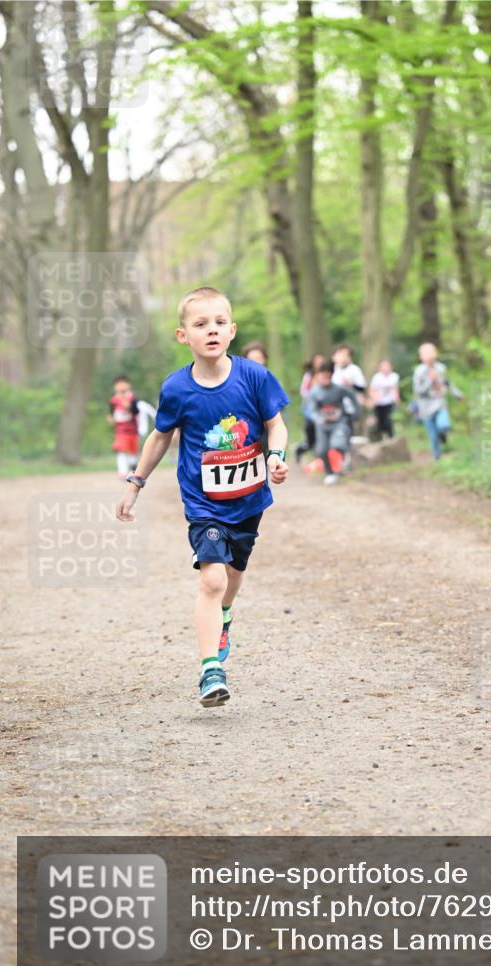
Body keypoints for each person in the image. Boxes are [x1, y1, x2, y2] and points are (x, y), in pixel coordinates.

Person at [116, 287, 290, 708]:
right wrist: (135, 482)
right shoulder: (176, 389)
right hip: (203, 502)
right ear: (183, 336)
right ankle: (210, 668)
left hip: (248, 500)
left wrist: (276, 457)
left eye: (218, 323)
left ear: (231, 331)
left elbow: (276, 425)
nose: (210, 330)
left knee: (233, 574)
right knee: (211, 578)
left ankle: (225, 616)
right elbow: (160, 438)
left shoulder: (255, 377)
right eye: (200, 324)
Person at [307, 360, 357, 485]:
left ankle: (343, 458)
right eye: (323, 375)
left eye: (328, 375)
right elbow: (311, 410)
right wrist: (319, 419)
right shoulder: (313, 392)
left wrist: (354, 412)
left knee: (338, 444)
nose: (326, 378)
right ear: (317, 376)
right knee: (322, 451)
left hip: (339, 423)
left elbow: (352, 396)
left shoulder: (339, 389)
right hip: (322, 426)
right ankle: (330, 473)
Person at [413, 342, 464, 460]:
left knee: (444, 425)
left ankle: (443, 435)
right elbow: (418, 391)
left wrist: (457, 394)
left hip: (440, 403)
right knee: (432, 435)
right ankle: (437, 457)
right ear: (421, 357)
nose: (430, 356)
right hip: (425, 407)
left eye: (431, 352)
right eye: (426, 354)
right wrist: (430, 380)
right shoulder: (419, 372)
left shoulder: (441, 368)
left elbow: (448, 383)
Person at [295, 352, 325, 463]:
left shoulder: (326, 375)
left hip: (322, 409)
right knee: (311, 435)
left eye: (321, 362)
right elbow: (303, 391)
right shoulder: (308, 376)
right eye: (317, 362)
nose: (319, 364)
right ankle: (300, 450)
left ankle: (320, 458)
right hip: (309, 408)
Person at [108, 376, 139, 479]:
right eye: (118, 384)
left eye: (123, 383)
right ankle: (122, 473)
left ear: (128, 385)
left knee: (131, 453)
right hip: (120, 431)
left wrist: (129, 407)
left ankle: (133, 468)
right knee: (121, 450)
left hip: (132, 430)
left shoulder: (131, 398)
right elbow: (111, 413)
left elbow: (136, 411)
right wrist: (111, 419)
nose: (121, 386)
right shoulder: (113, 400)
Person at [369, 359, 400, 439]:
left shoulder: (394, 376)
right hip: (379, 403)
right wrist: (375, 398)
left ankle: (391, 438)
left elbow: (395, 389)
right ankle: (379, 439)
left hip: (389, 402)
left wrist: (396, 399)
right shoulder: (376, 377)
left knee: (388, 421)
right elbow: (372, 390)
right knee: (379, 422)